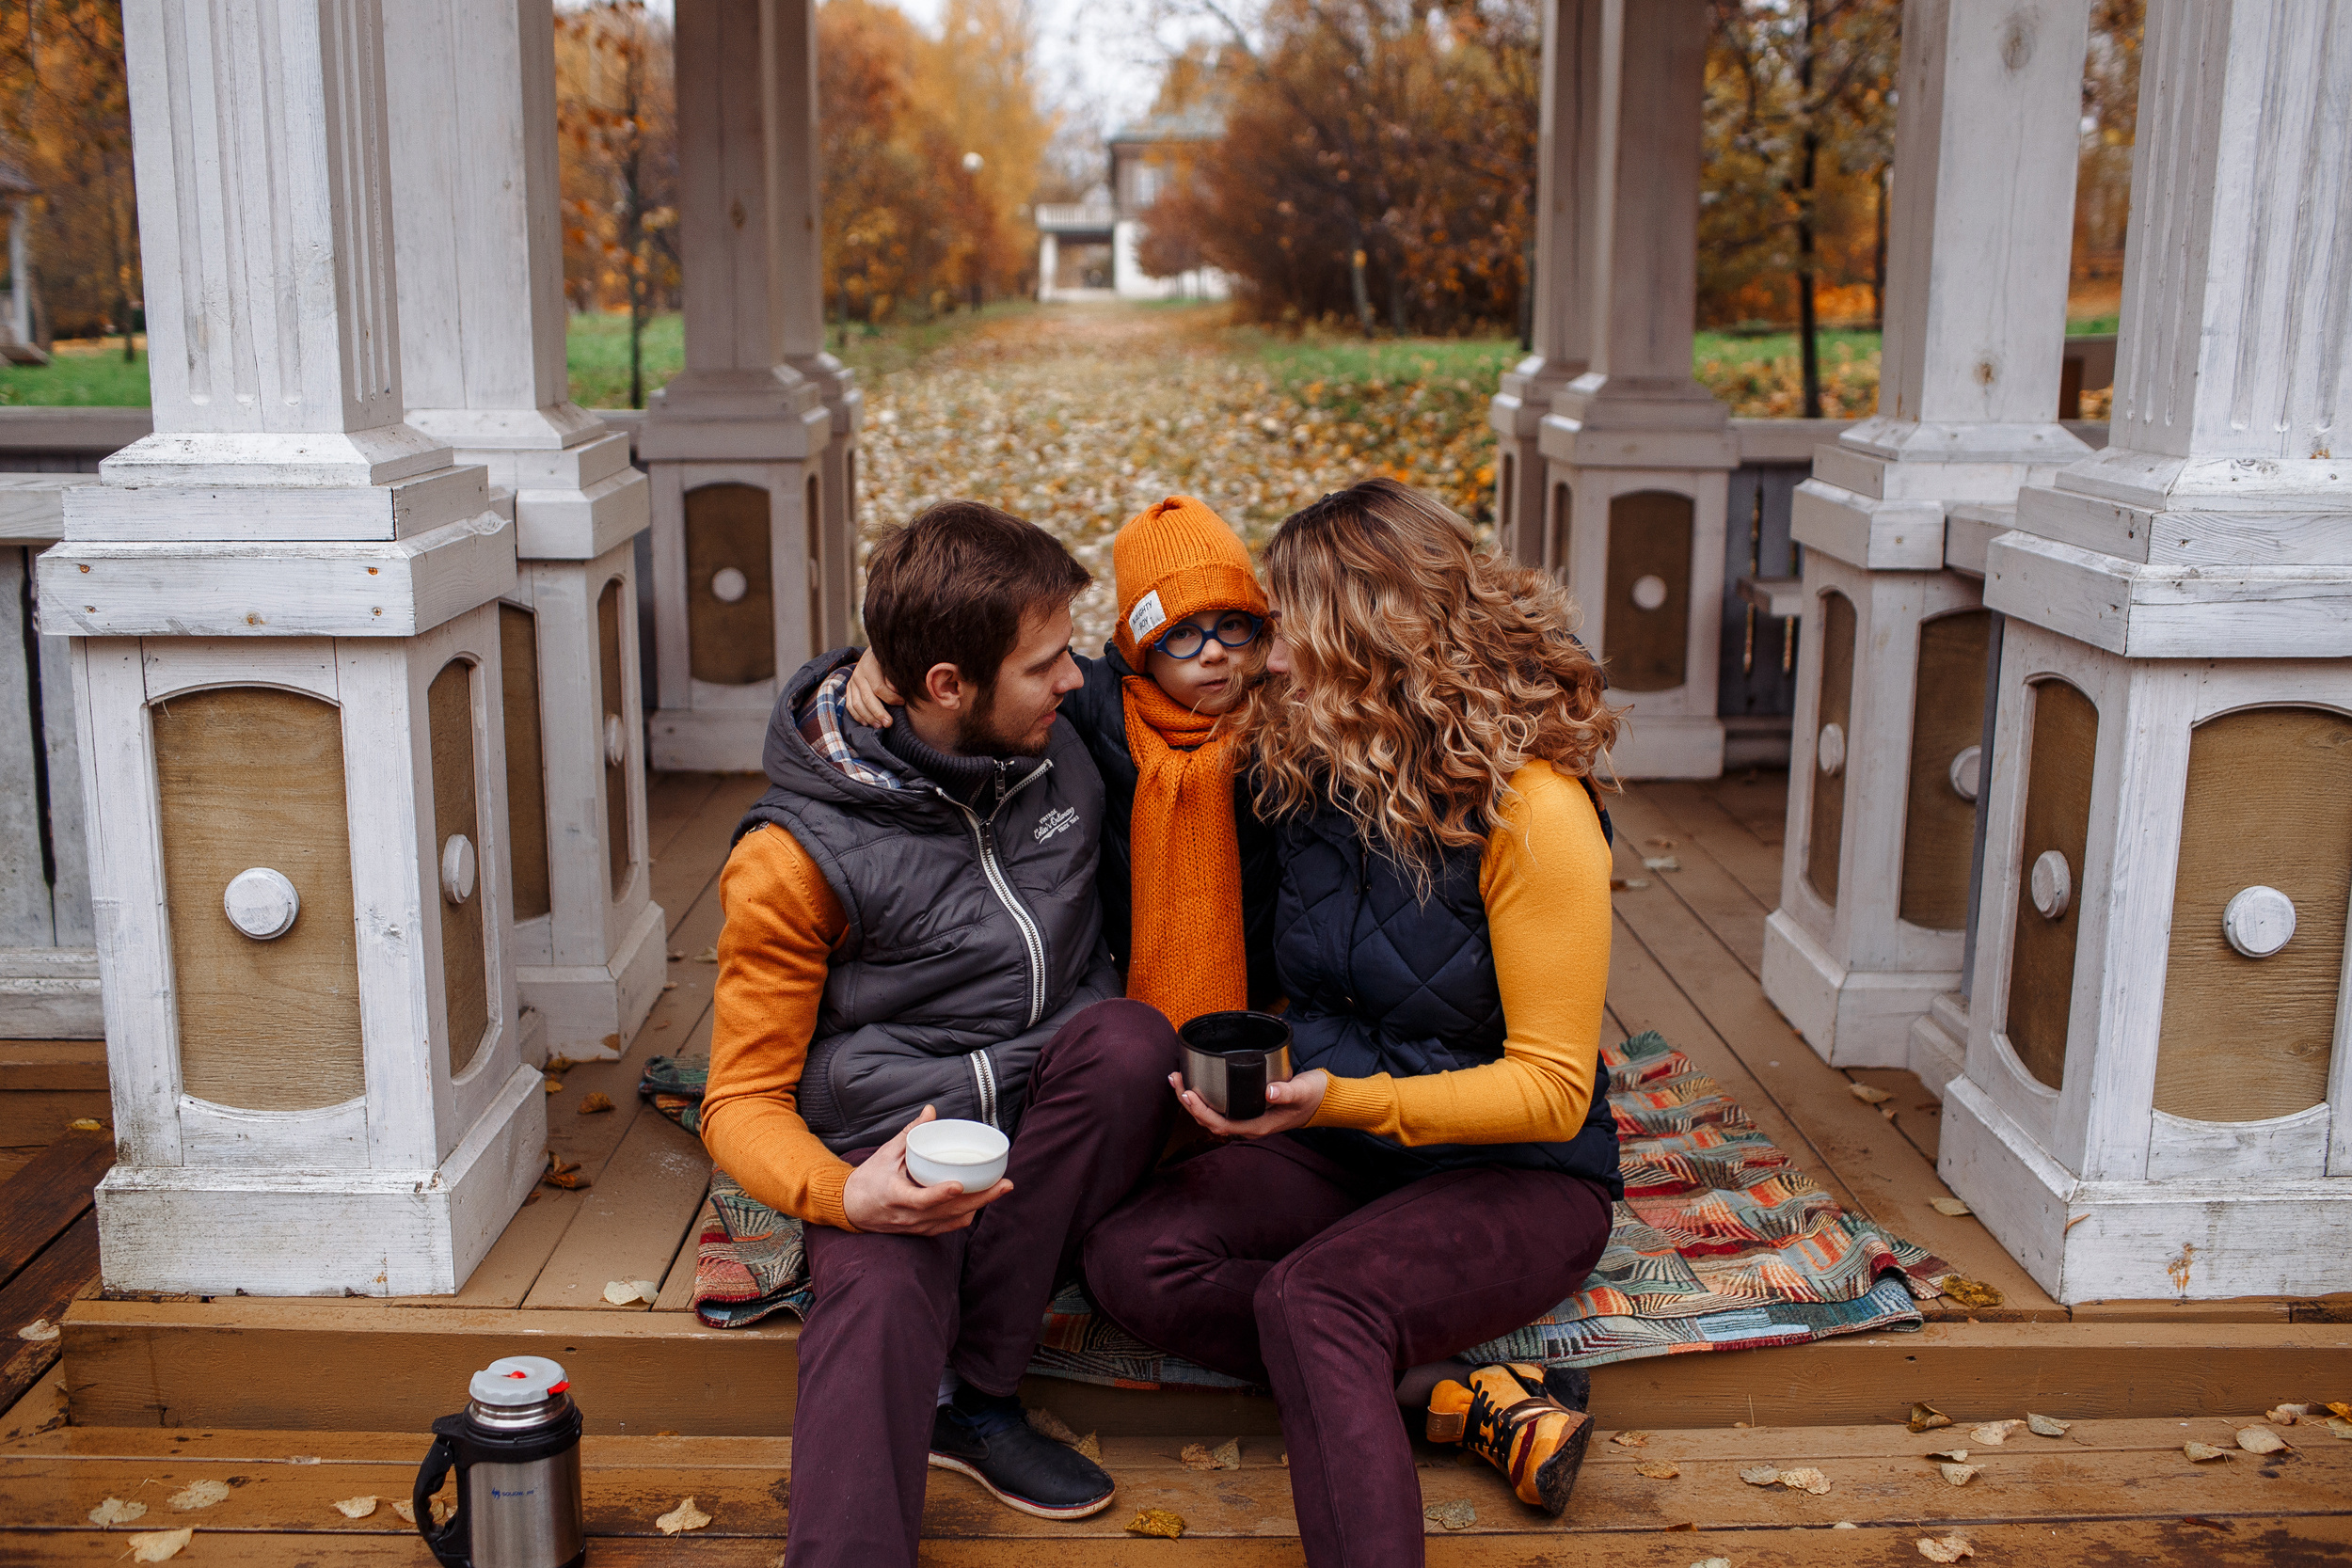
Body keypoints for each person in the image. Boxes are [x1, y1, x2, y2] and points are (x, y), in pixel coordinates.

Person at [1082, 477, 1625, 1567]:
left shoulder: (1538, 811)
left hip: (1518, 1167)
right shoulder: (1311, 764)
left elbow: (1554, 1088)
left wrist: (1344, 1098)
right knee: (1131, 1253)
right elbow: (1108, 694)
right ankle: (1455, 1395)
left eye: (1288, 633)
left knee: (1313, 1299)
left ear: (1375, 640)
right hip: (1347, 1140)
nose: (1263, 660)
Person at [698, 500, 1183, 1567]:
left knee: (1134, 1042)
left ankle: (978, 1395)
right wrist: (846, 1194)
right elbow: (737, 1102)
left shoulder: (1067, 743)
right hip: (900, 1138)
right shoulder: (794, 855)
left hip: (1057, 1104)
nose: (1073, 680)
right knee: (873, 1294)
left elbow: (1214, 675)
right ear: (947, 686)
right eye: (1045, 663)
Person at [847, 494, 1281, 1026]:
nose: (1214, 652)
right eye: (1183, 634)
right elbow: (973, 661)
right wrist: (879, 659)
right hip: (1132, 976)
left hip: (1266, 982)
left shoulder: (1279, 714)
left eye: (1233, 626)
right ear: (1141, 647)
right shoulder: (1097, 700)